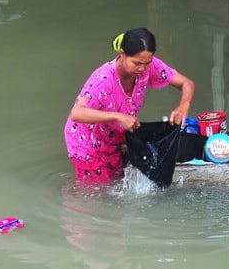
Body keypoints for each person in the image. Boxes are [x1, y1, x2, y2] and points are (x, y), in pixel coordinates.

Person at [64, 27, 195, 185]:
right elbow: (77, 113)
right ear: (122, 54)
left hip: (113, 137)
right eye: (137, 63)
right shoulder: (104, 80)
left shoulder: (148, 68)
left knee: (115, 183)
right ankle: (72, 196)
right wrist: (118, 116)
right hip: (87, 140)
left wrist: (183, 105)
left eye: (147, 63)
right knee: (97, 192)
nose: (142, 69)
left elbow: (186, 83)